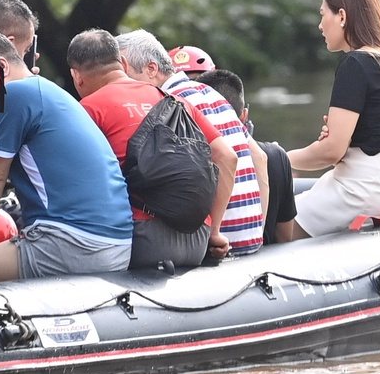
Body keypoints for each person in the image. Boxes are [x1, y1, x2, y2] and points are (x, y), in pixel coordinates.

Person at [0, 32, 133, 283]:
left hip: (72, 242)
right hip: (117, 243)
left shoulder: (14, 95)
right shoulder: (50, 91)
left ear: (1, 67)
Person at [69, 28, 235, 270]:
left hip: (142, 242)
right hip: (198, 239)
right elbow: (227, 157)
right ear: (123, 63)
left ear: (76, 76)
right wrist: (215, 232)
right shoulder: (174, 100)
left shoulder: (88, 108)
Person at [284, 0, 380, 236]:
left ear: (343, 16)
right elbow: (366, 139)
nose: (320, 25)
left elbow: (330, 152)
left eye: (323, 14)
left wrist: (278, 160)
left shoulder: (356, 64)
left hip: (358, 191)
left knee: (268, 228)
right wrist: (342, 141)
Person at [114, 30, 268, 257]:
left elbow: (227, 158)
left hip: (221, 242)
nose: (120, 84)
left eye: (123, 74)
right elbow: (259, 157)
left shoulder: (167, 104)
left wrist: (214, 231)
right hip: (249, 236)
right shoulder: (211, 93)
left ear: (151, 69)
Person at [196, 67, 297, 246]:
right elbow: (285, 239)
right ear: (244, 115)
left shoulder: (193, 160)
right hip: (261, 257)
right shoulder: (276, 156)